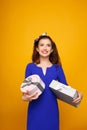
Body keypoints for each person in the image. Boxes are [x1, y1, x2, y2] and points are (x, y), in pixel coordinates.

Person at [22, 33, 82, 130]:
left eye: (48, 45)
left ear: (52, 49)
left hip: (51, 111)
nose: (45, 48)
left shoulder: (57, 68)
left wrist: (79, 94)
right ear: (37, 49)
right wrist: (26, 97)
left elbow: (66, 88)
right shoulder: (30, 67)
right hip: (35, 111)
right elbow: (25, 94)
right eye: (42, 45)